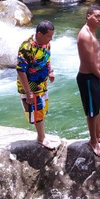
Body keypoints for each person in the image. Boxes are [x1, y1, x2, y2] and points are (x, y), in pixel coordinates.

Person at [17, 21, 58, 150]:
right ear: (39, 34)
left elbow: (47, 58)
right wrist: (28, 91)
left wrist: (50, 71)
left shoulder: (46, 44)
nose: (50, 39)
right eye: (48, 36)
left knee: (43, 109)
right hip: (29, 85)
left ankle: (42, 135)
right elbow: (20, 70)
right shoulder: (26, 47)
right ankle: (41, 138)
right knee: (37, 109)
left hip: (41, 83)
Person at [76, 5, 100, 156]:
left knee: (96, 109)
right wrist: (99, 75)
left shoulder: (91, 32)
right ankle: (93, 141)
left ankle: (99, 135)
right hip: (88, 77)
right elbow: (89, 62)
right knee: (91, 111)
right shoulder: (85, 35)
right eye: (97, 16)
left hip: (93, 76)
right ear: (88, 15)